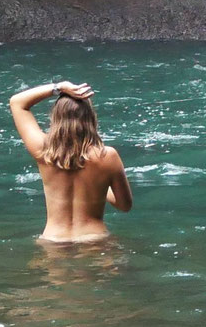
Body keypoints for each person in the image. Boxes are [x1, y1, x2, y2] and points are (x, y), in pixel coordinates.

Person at [8, 80, 132, 244]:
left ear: (56, 118)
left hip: (53, 240)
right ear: (90, 119)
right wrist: (101, 188)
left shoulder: (44, 151)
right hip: (94, 239)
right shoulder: (107, 156)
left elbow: (17, 102)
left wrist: (58, 87)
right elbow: (124, 205)